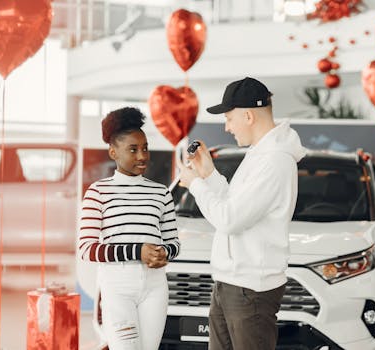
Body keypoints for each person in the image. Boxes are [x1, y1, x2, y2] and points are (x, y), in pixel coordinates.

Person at [177, 77, 306, 350]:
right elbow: (234, 204)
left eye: (228, 118)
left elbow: (229, 219)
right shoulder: (260, 154)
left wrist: (196, 185)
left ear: (248, 116)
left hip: (250, 290)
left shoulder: (274, 161)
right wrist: (208, 173)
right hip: (231, 283)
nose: (226, 127)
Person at [78, 107, 180, 350]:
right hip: (117, 286)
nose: (142, 156)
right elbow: (86, 248)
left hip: (156, 286)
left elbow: (174, 242)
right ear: (114, 152)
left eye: (145, 148)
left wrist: (165, 252)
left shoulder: (161, 192)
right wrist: (138, 251)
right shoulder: (97, 192)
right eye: (133, 150)